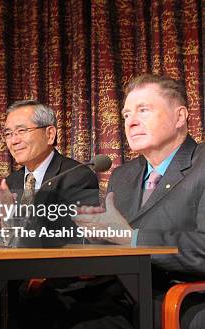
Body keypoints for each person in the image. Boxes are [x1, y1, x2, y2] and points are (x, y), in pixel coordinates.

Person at [73, 74, 205, 329]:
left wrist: (131, 238)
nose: (131, 122)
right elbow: (115, 242)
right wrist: (95, 233)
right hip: (121, 295)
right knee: (42, 306)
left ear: (180, 117)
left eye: (143, 110)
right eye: (125, 115)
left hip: (178, 298)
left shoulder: (202, 164)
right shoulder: (123, 175)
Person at [0, 100, 100, 247]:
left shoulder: (77, 177)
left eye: (21, 131)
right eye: (8, 133)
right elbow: (5, 244)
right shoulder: (11, 182)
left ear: (50, 134)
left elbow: (66, 237)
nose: (13, 141)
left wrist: (11, 215)